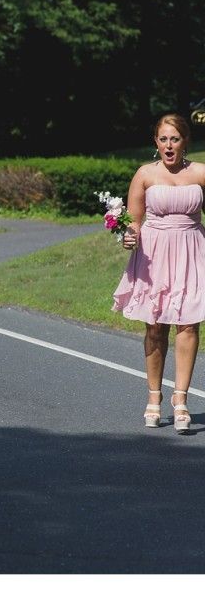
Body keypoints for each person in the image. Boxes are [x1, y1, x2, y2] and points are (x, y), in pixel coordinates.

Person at [113, 113, 205, 434]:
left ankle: (180, 400)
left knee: (189, 324)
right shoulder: (144, 175)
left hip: (193, 251)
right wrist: (128, 235)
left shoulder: (201, 173)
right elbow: (133, 221)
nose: (169, 145)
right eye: (163, 139)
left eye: (175, 139)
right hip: (154, 256)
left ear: (185, 142)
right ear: (156, 142)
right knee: (155, 327)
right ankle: (154, 395)